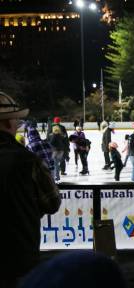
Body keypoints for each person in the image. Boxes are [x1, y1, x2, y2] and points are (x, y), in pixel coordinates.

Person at [0, 92, 60, 287]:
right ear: (9, 123)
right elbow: (52, 203)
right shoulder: (28, 161)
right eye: (16, 120)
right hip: (18, 260)